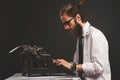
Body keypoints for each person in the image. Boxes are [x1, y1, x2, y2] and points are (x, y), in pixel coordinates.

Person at [53, 3, 111, 80]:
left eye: (67, 23)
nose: (66, 28)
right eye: (64, 24)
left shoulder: (95, 35)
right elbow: (78, 67)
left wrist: (72, 66)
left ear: (78, 18)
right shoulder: (80, 38)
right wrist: (64, 63)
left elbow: (98, 67)